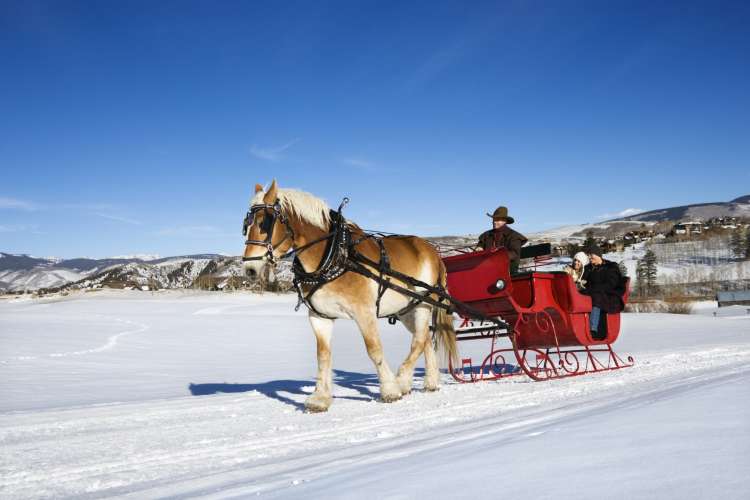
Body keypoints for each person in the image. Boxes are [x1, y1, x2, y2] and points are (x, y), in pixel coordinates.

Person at [579, 244, 625, 340]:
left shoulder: (610, 267)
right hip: (592, 294)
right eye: (588, 255)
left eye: (591, 255)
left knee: (596, 297)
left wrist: (593, 289)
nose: (589, 257)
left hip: (610, 296)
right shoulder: (588, 268)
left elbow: (611, 284)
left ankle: (593, 329)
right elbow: (583, 281)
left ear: (598, 254)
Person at [478, 206, 527, 274]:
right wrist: (478, 249)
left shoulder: (514, 236)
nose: (494, 222)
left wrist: (497, 257)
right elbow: (479, 248)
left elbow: (514, 253)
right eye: (494, 219)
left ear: (505, 221)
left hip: (508, 270)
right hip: (487, 270)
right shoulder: (486, 235)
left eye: (497, 220)